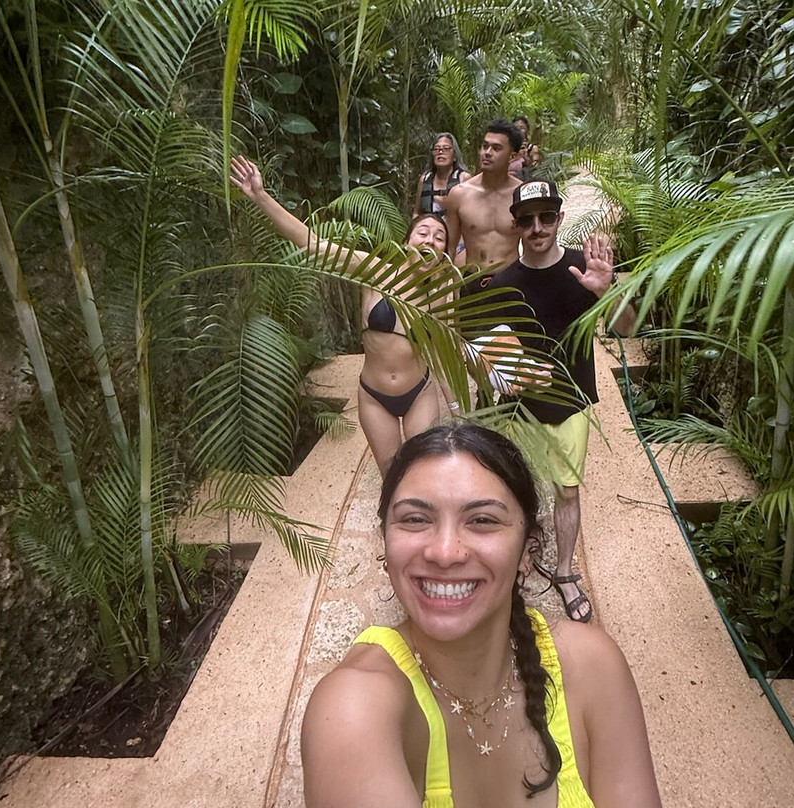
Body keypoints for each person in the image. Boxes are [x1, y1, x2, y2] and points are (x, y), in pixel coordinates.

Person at [301, 423, 661, 807]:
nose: (444, 551)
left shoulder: (592, 666)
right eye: (415, 519)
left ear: (528, 550)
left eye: (483, 520)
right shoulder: (352, 708)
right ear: (385, 542)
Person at [230, 155, 456, 477]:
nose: (430, 240)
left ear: (444, 251)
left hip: (419, 393)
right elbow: (313, 244)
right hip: (375, 397)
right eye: (423, 232)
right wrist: (260, 196)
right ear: (407, 241)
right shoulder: (375, 271)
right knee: (392, 476)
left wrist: (460, 411)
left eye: (439, 237)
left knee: (424, 473)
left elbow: (443, 354)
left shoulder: (440, 292)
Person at [471, 179, 634, 623]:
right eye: (527, 218)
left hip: (570, 404)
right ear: (516, 224)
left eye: (546, 216)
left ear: (560, 218)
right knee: (512, 494)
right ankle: (513, 569)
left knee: (566, 490)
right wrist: (503, 376)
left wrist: (607, 291)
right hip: (516, 412)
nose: (538, 227)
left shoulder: (588, 269)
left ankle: (563, 572)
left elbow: (628, 330)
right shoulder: (499, 284)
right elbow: (477, 353)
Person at [444, 120, 525, 295]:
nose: (487, 153)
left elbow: (530, 245)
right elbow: (449, 248)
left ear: (512, 156)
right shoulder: (459, 194)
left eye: (496, 148)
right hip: (472, 280)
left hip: (510, 280)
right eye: (485, 146)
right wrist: (449, 288)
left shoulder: (521, 195)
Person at [413, 133, 469, 218]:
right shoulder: (425, 179)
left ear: (454, 155)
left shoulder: (464, 178)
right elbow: (417, 212)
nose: (440, 152)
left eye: (446, 148)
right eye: (436, 149)